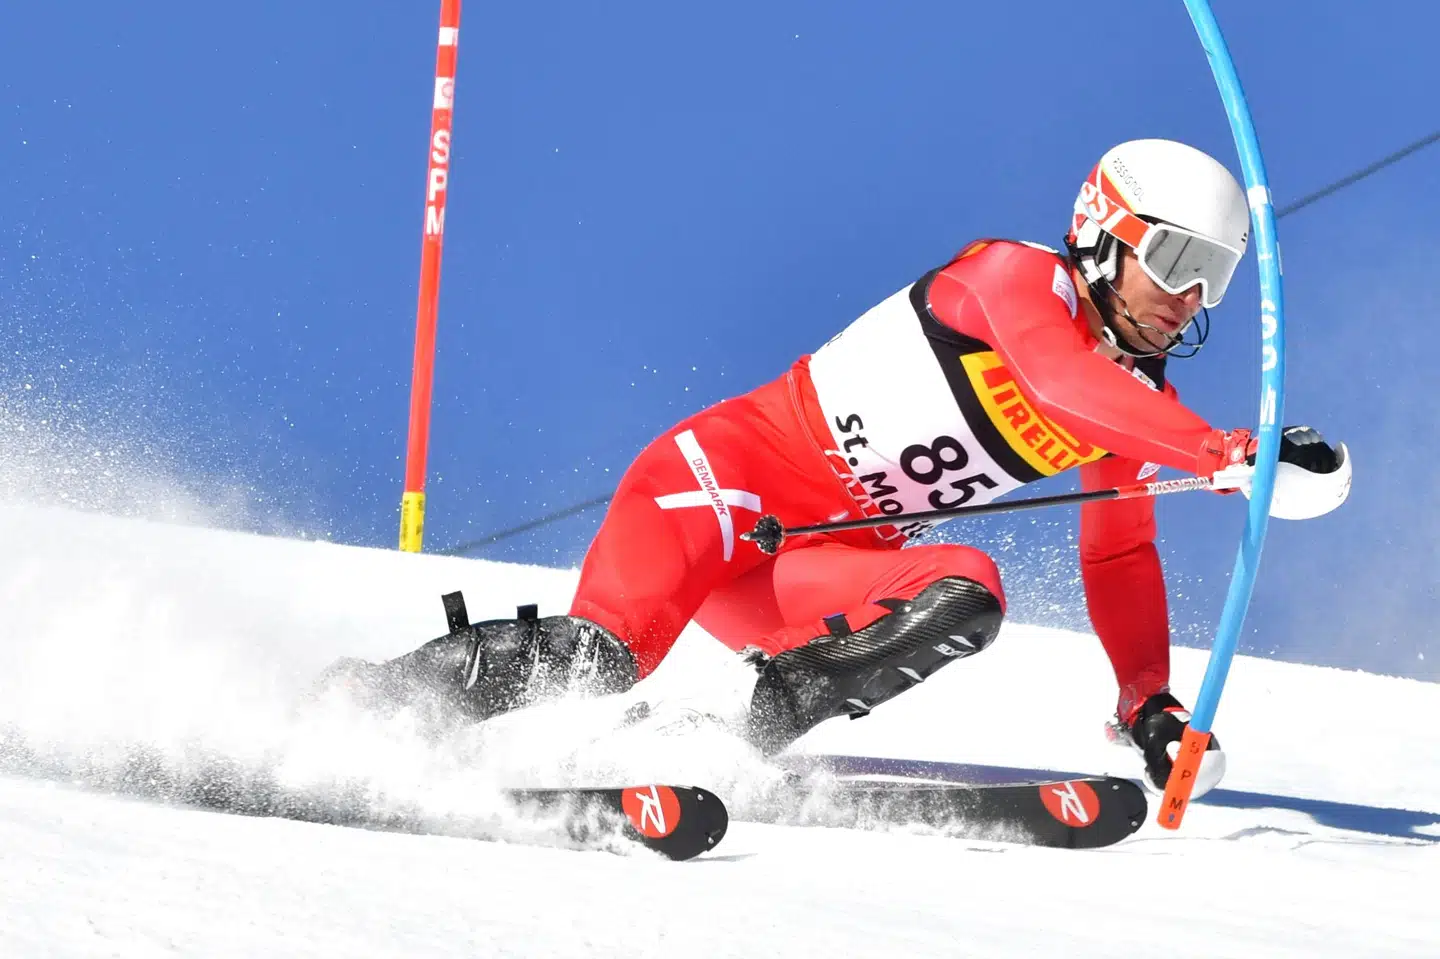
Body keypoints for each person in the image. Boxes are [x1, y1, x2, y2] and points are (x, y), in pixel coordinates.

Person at [339, 139, 1350, 797]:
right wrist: (1226, 452)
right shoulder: (1012, 279)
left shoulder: (1144, 410)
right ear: (1100, 232)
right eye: (1173, 260)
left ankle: (719, 739)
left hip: (807, 567)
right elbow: (1055, 378)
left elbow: (1122, 554)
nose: (1188, 297)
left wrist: (1149, 703)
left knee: (964, 590)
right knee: (605, 655)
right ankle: (356, 713)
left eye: (1211, 277)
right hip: (723, 485)